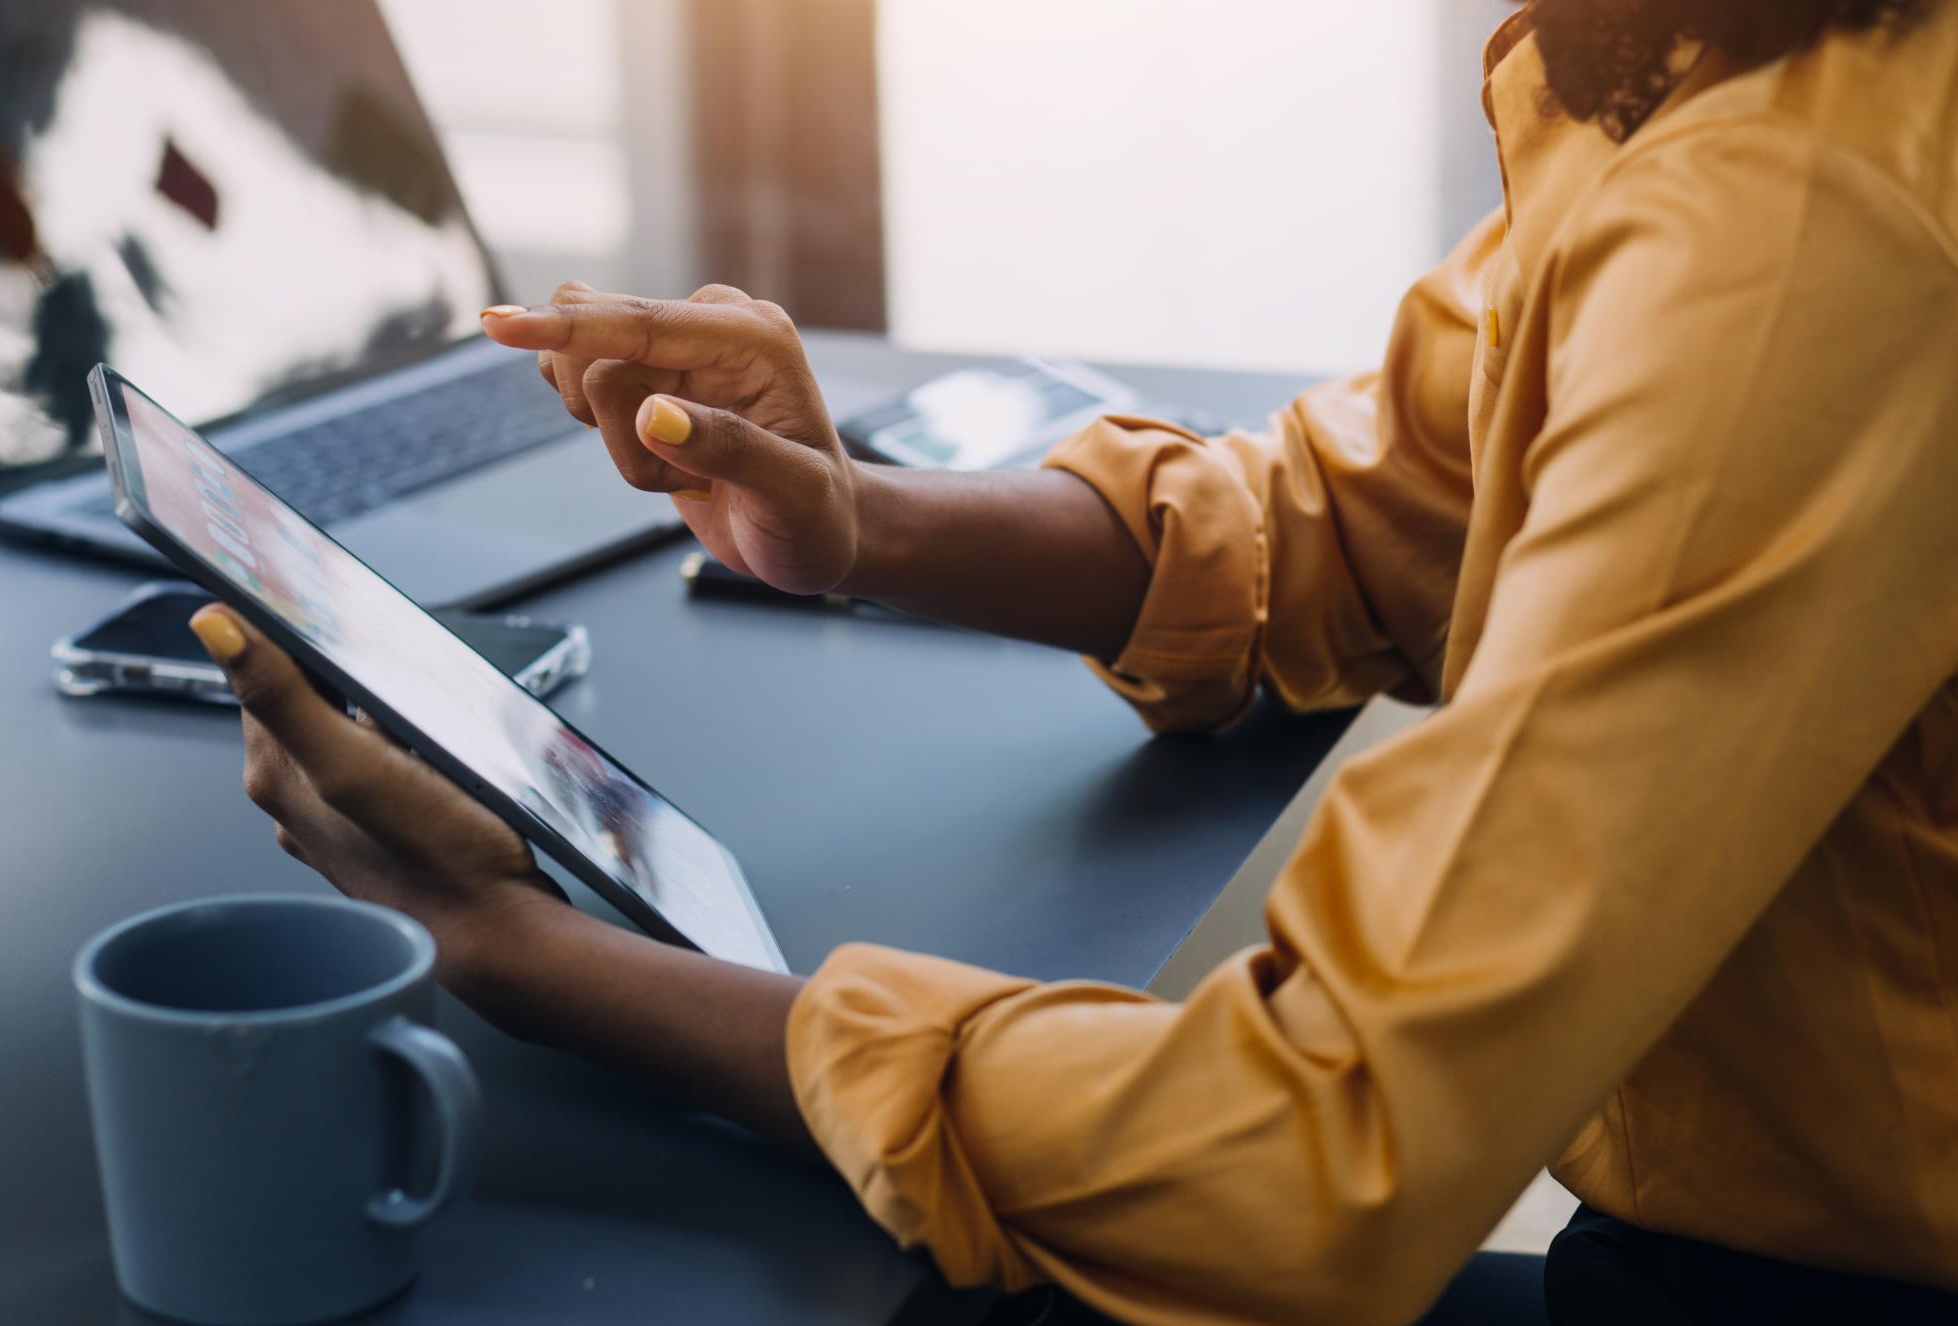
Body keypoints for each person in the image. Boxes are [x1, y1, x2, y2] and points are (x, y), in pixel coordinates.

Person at [183, 1, 1958, 1320]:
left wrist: (522, 951)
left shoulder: (1799, 219)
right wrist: (860, 517)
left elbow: (1320, 1145)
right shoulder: (1696, 66)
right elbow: (1379, 505)